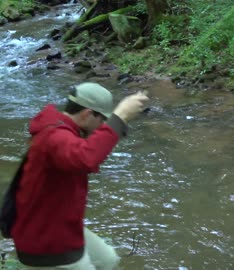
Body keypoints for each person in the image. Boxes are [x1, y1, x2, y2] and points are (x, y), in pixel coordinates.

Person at [10, 82, 149, 269]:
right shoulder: (56, 137)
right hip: (46, 242)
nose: (103, 126)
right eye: (102, 120)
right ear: (87, 114)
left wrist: (119, 122)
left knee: (108, 260)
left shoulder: (61, 129)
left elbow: (87, 150)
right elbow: (86, 158)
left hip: (57, 225)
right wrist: (121, 115)